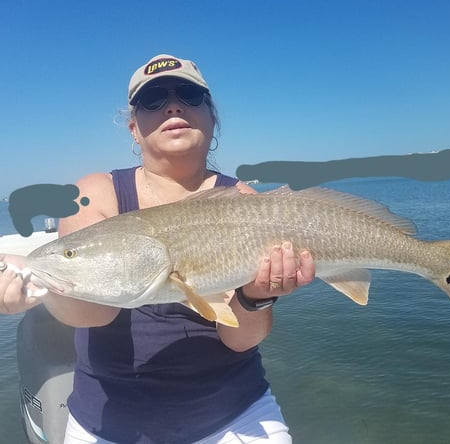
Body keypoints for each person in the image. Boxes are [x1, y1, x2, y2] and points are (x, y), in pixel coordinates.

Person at [0, 53, 315, 444]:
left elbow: (239, 339)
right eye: (153, 100)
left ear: (211, 115)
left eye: (188, 94)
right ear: (134, 128)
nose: (173, 104)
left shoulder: (246, 202)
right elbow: (92, 313)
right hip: (108, 424)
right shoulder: (95, 194)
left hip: (235, 415)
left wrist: (256, 297)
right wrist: (39, 288)